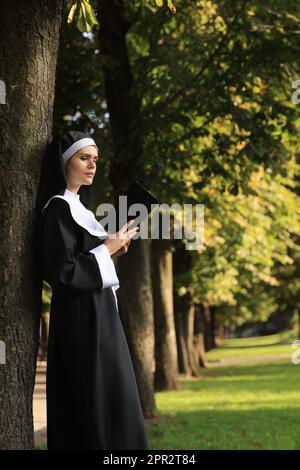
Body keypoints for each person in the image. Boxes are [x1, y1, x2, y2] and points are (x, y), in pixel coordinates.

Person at [35, 130, 149, 450]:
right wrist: (106, 249)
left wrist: (111, 246)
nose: (92, 165)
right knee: (92, 396)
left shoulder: (81, 209)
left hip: (100, 311)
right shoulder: (57, 208)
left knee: (114, 391)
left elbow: (87, 258)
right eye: (84, 158)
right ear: (63, 162)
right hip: (80, 317)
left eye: (95, 160)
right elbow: (62, 272)